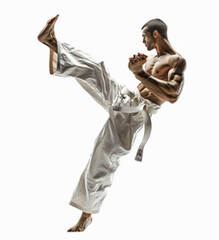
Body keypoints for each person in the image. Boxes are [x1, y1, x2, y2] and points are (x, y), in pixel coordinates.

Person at [37, 15, 187, 232]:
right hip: (126, 98)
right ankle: (53, 44)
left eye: (144, 36)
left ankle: (86, 215)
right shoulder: (152, 58)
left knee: (101, 159)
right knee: (97, 69)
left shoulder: (177, 61)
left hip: (134, 116)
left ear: (156, 34)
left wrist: (141, 74)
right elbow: (143, 78)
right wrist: (139, 69)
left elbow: (172, 95)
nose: (143, 42)